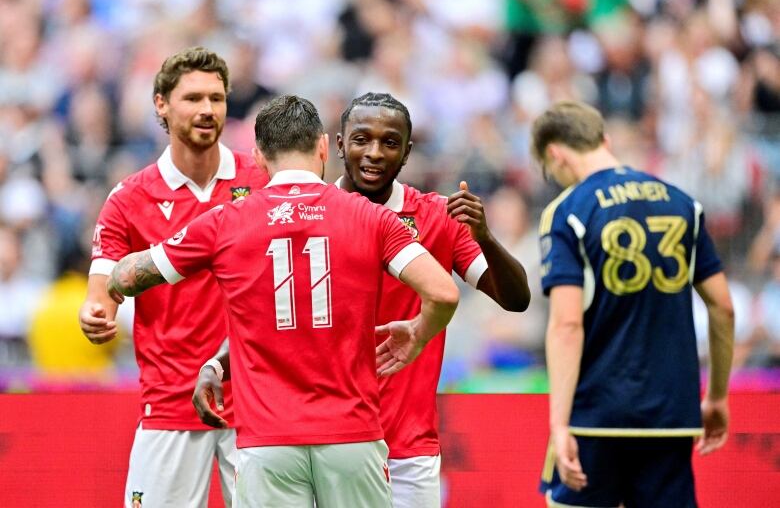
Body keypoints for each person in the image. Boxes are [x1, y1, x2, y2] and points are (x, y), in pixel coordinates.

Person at [106, 94, 460, 507]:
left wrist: (112, 279)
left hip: (267, 442)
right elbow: (442, 292)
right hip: (354, 437)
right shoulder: (369, 216)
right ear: (325, 147)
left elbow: (129, 276)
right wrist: (418, 334)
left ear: (257, 157)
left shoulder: (225, 222)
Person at [193, 92, 531, 508]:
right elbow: (267, 317)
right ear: (336, 144)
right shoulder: (295, 215)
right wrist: (216, 363)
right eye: (361, 140)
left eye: (390, 143)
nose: (374, 153)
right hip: (319, 443)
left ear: (407, 153)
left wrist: (485, 238)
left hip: (407, 447)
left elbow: (515, 299)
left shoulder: (436, 218)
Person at [77, 46, 268, 508]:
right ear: (161, 103)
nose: (207, 110)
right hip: (170, 401)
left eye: (217, 99)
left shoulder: (261, 181)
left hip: (259, 400)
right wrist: (95, 315)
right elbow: (100, 291)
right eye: (193, 98)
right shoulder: (129, 199)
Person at [533, 101, 734, 507]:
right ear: (604, 141)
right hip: (670, 418)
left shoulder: (567, 212)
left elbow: (567, 325)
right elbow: (723, 308)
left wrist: (559, 424)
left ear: (555, 153)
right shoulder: (683, 204)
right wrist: (716, 396)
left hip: (596, 416)